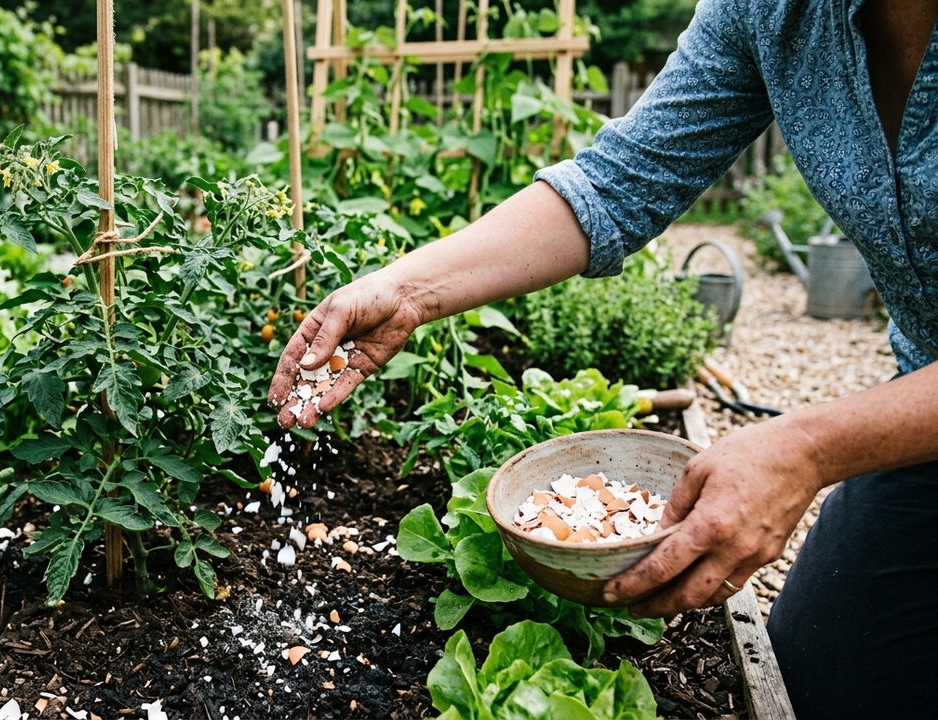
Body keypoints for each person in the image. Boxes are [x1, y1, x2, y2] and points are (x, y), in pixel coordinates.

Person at [267, 0, 938, 717]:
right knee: (819, 675)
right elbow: (620, 179)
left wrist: (807, 447)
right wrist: (406, 291)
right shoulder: (771, 12)